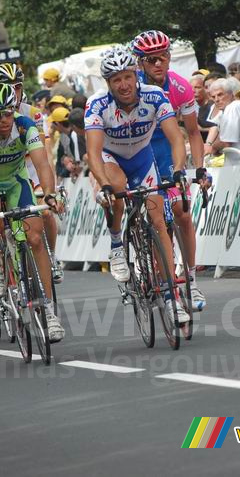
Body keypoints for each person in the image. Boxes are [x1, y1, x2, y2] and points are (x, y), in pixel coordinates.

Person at [84, 47, 190, 323]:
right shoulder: (97, 105)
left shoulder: (154, 96)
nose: (124, 85)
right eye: (116, 80)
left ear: (136, 75)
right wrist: (103, 184)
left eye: (128, 77)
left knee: (157, 218)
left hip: (143, 159)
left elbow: (176, 138)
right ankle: (117, 242)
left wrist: (179, 170)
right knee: (116, 189)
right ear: (108, 83)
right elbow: (93, 153)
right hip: (111, 158)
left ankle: (171, 297)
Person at [0, 83, 65, 343]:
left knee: (34, 238)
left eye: (7, 112)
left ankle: (50, 311)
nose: (4, 119)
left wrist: (50, 193)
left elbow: (42, 164)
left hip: (17, 180)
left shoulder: (25, 125)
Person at [132, 30, 207, 308]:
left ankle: (191, 281)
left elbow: (193, 133)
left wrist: (199, 169)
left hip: (166, 152)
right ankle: (154, 273)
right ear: (140, 63)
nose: (158, 64)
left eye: (163, 57)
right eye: (151, 60)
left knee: (183, 214)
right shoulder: (132, 88)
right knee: (156, 219)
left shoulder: (180, 87)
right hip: (138, 153)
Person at [209, 77, 240, 165]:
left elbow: (226, 142)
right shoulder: (232, 108)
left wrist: (212, 148)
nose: (216, 99)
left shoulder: (233, 108)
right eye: (213, 97)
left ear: (230, 94)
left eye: (220, 94)